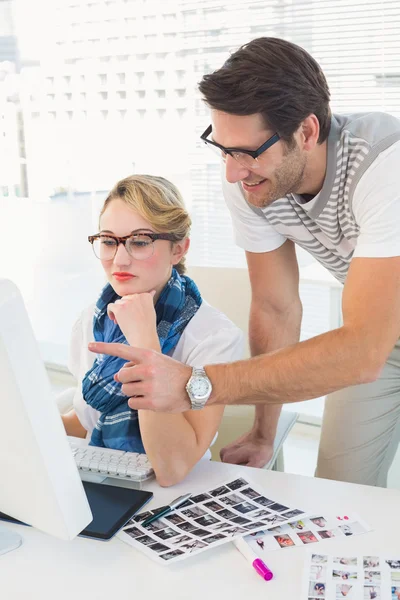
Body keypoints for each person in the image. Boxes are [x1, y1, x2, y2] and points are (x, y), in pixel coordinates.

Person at [88, 37, 400, 488]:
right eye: (224, 150)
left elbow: (362, 351)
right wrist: (262, 432)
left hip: (370, 341)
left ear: (307, 133)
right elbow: (276, 307)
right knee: (340, 490)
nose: (233, 172)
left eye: (248, 153)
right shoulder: (250, 177)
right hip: (383, 339)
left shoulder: (383, 166)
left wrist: (196, 383)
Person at [61, 174, 243, 487]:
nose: (119, 259)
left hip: (176, 497)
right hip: (102, 481)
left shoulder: (214, 337)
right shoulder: (91, 322)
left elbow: (172, 467)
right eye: (108, 241)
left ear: (178, 249)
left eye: (140, 242)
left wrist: (146, 343)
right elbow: (89, 422)